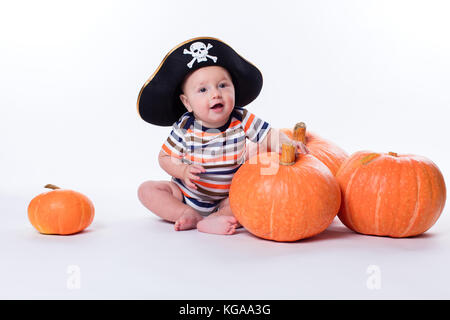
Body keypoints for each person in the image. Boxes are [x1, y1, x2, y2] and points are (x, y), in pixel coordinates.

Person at [136, 37, 307, 235]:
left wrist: (286, 144)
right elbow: (164, 158)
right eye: (203, 90)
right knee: (147, 190)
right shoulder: (185, 126)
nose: (215, 94)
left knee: (249, 201)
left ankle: (215, 219)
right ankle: (186, 213)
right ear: (187, 102)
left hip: (229, 195)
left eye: (223, 85)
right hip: (186, 193)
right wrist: (182, 171)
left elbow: (268, 134)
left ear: (234, 88)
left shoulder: (241, 118)